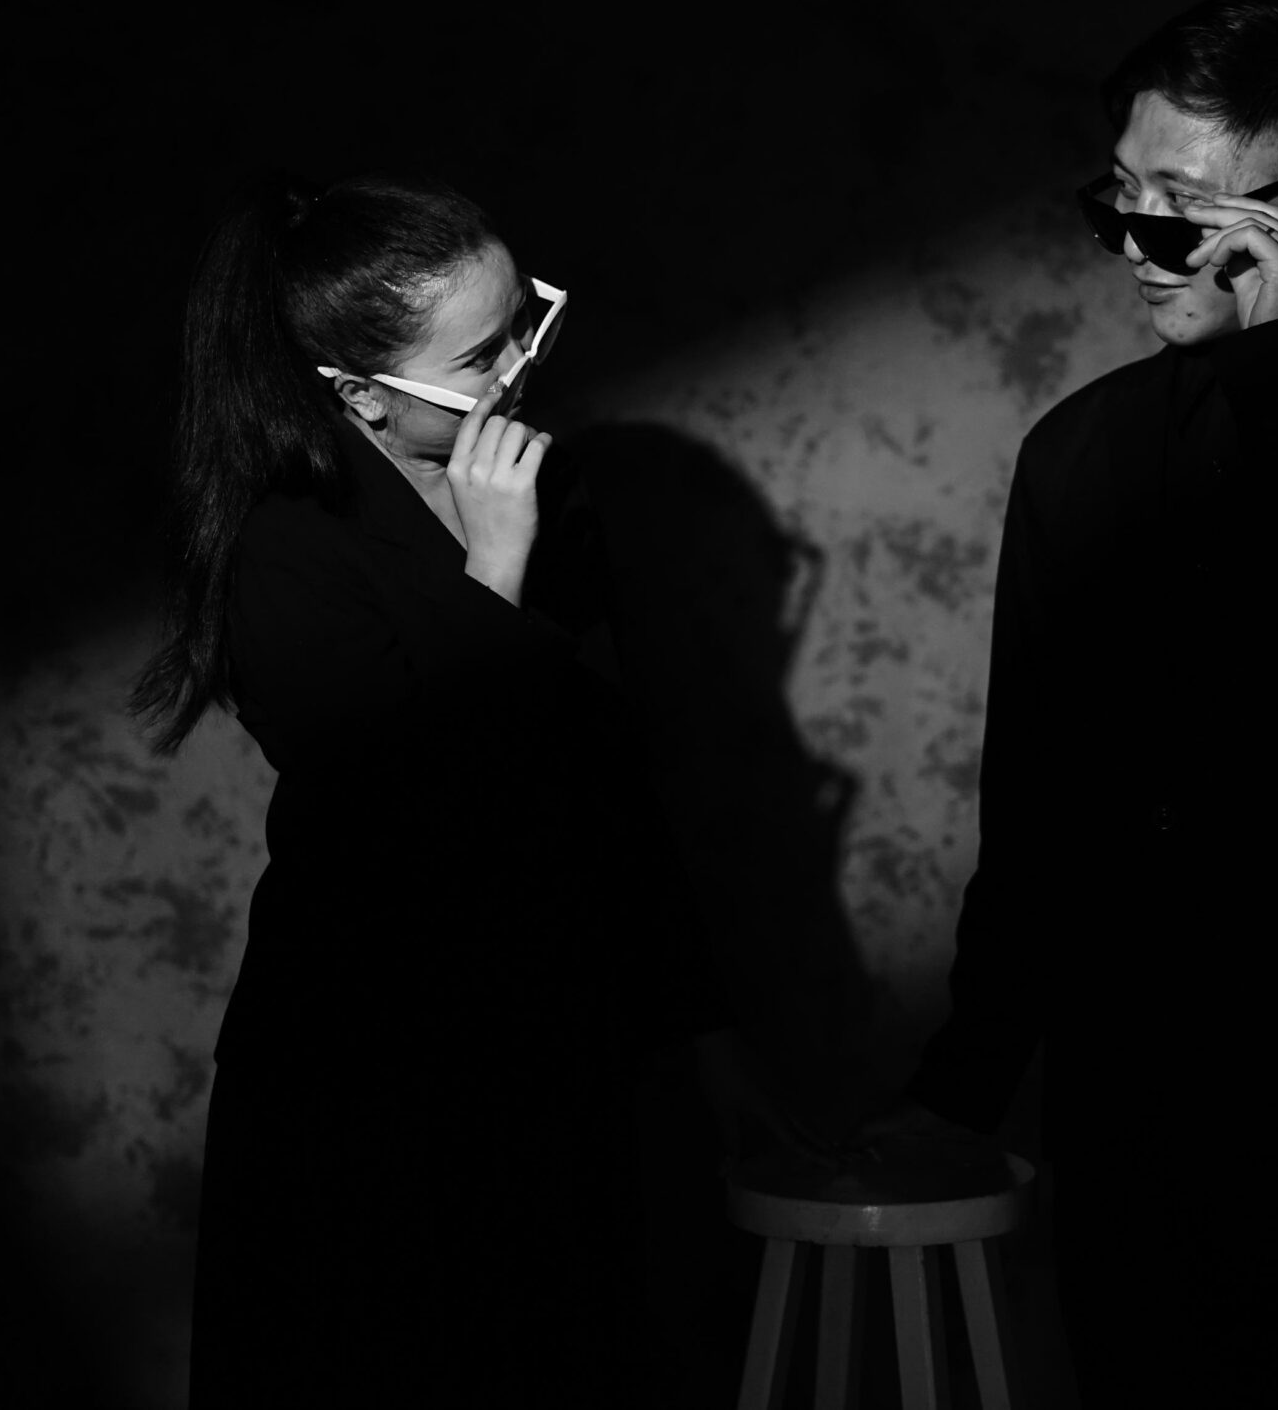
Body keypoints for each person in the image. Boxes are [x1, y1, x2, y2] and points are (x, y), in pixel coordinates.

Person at [861, 0, 1278, 1402]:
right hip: (1127, 1087)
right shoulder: (1078, 452)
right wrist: (964, 1081)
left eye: (1177, 206)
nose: (1133, 241)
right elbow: (1037, 793)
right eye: (1120, 195)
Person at [131, 172, 812, 1406]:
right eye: (481, 355)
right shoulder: (283, 548)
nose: (521, 370)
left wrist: (704, 1033)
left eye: (521, 326)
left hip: (550, 1048)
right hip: (370, 1076)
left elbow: (601, 786)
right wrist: (491, 573)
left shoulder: (553, 491)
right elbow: (412, 816)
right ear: (359, 396)